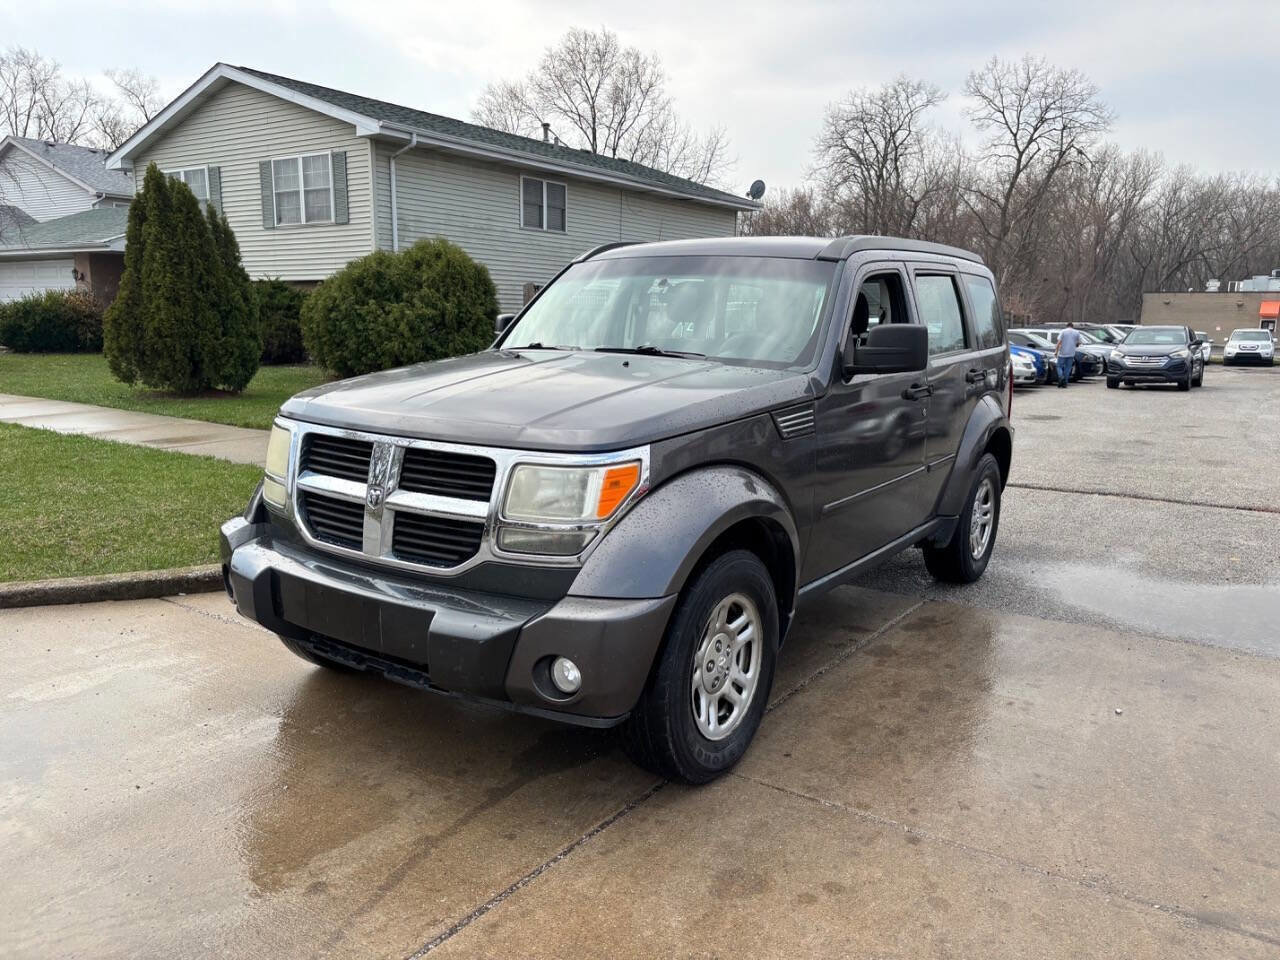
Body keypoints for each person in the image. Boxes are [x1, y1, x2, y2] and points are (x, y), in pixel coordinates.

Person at [1055, 322, 1082, 388]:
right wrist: (1076, 345)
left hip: (1062, 353)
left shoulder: (1063, 331)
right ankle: (1065, 383)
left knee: (1059, 366)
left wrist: (1056, 351)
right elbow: (1079, 342)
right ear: (1072, 326)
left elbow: (1059, 342)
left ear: (1067, 326)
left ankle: (1061, 377)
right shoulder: (1076, 332)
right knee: (1068, 368)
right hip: (1071, 353)